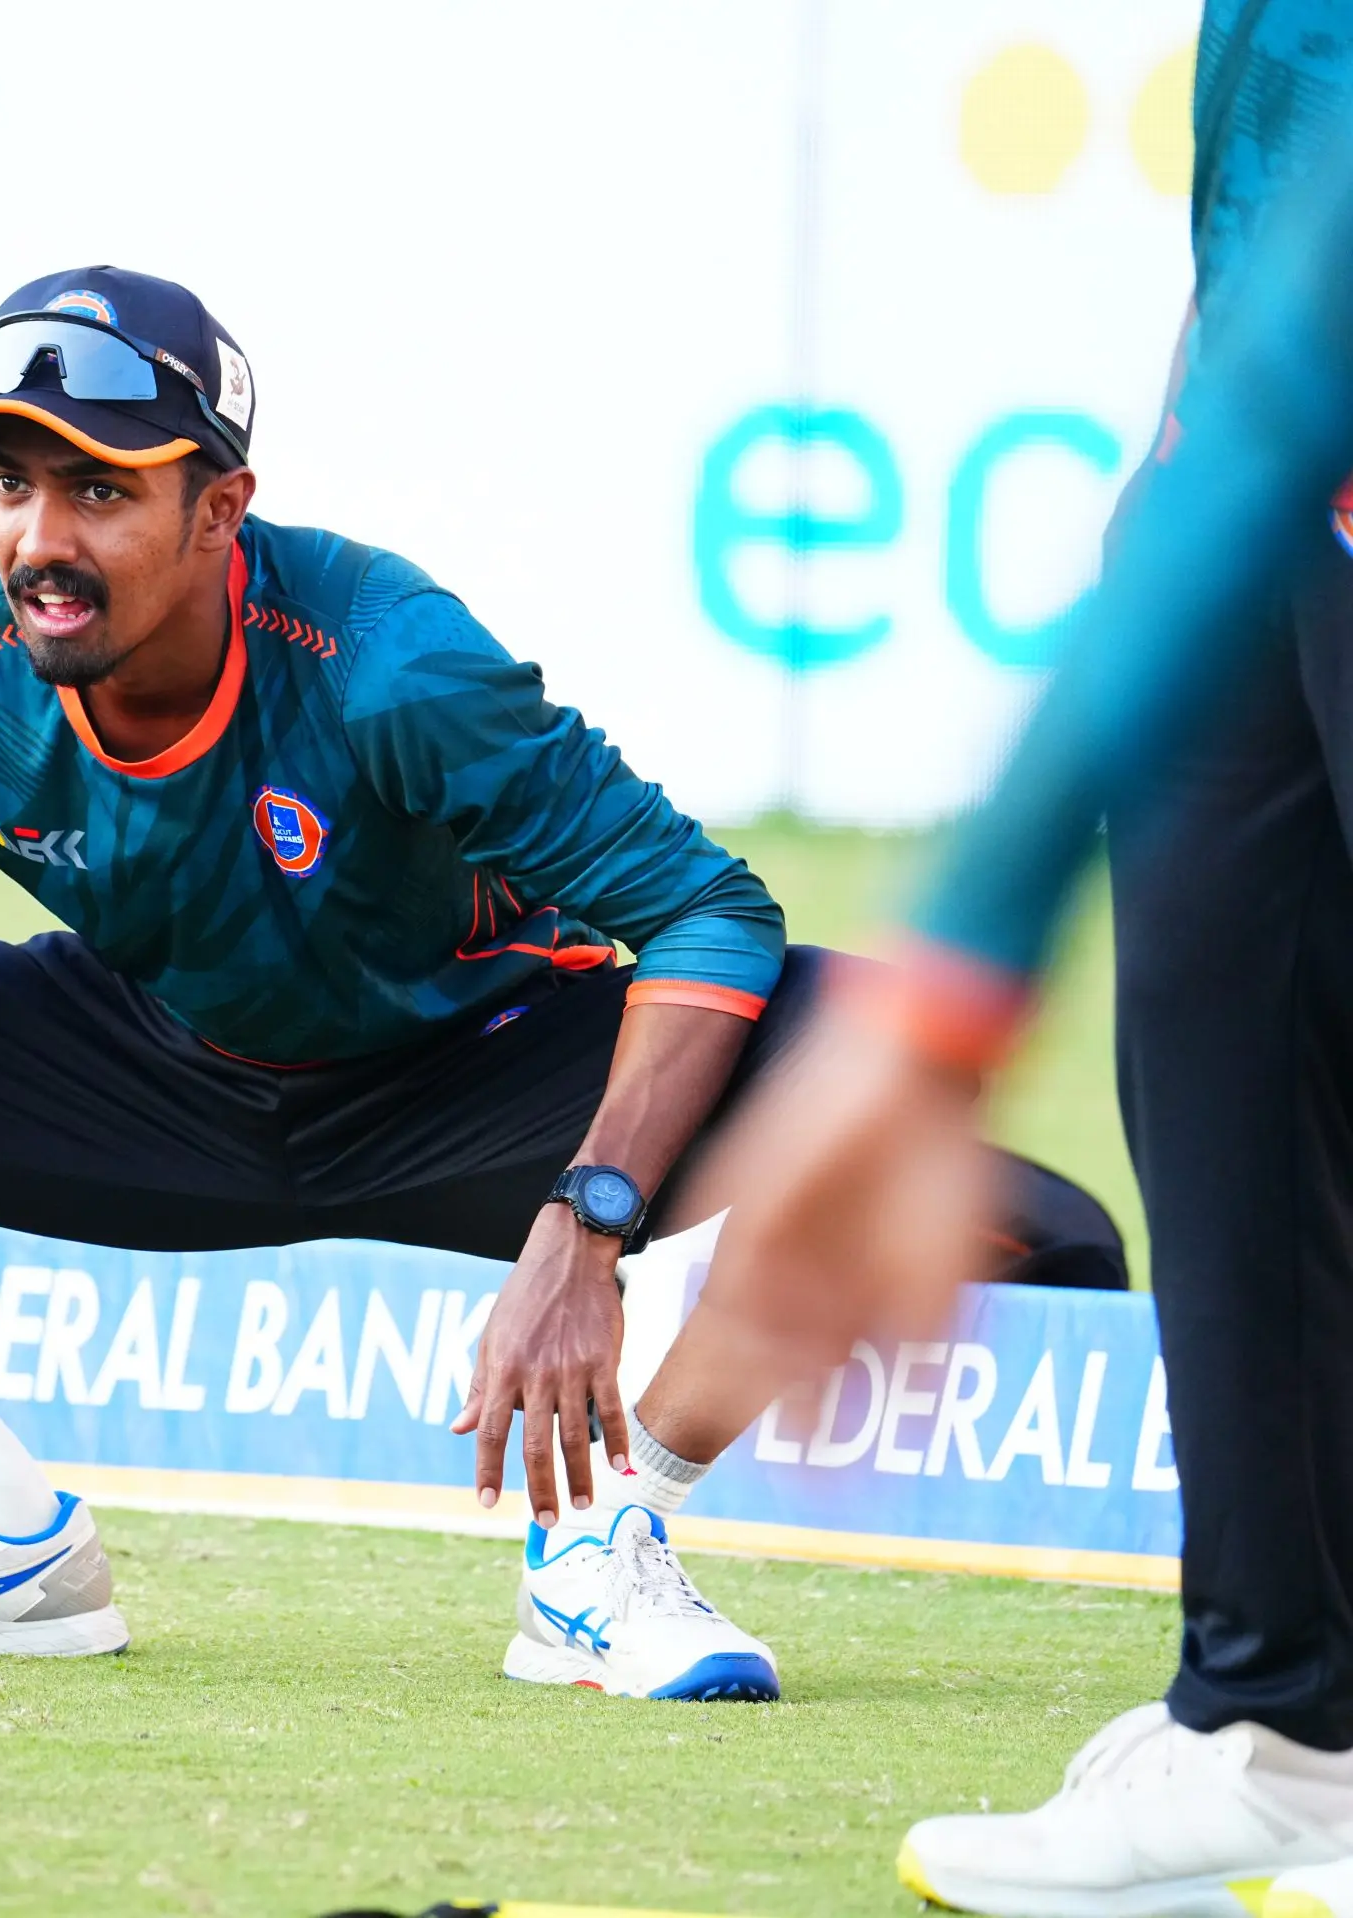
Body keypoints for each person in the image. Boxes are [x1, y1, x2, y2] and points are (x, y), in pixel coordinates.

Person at [0, 265, 1108, 1693]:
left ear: (221, 508)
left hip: (485, 1081)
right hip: (152, 1075)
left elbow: (707, 910)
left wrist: (590, 1218)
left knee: (938, 1100)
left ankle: (603, 1540)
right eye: (10, 485)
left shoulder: (389, 660)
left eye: (100, 491)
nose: (40, 543)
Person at [707, 9, 1353, 1912]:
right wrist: (1187, 438)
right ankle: (1286, 1728)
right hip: (1268, 460)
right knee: (1223, 1070)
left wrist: (948, 976)